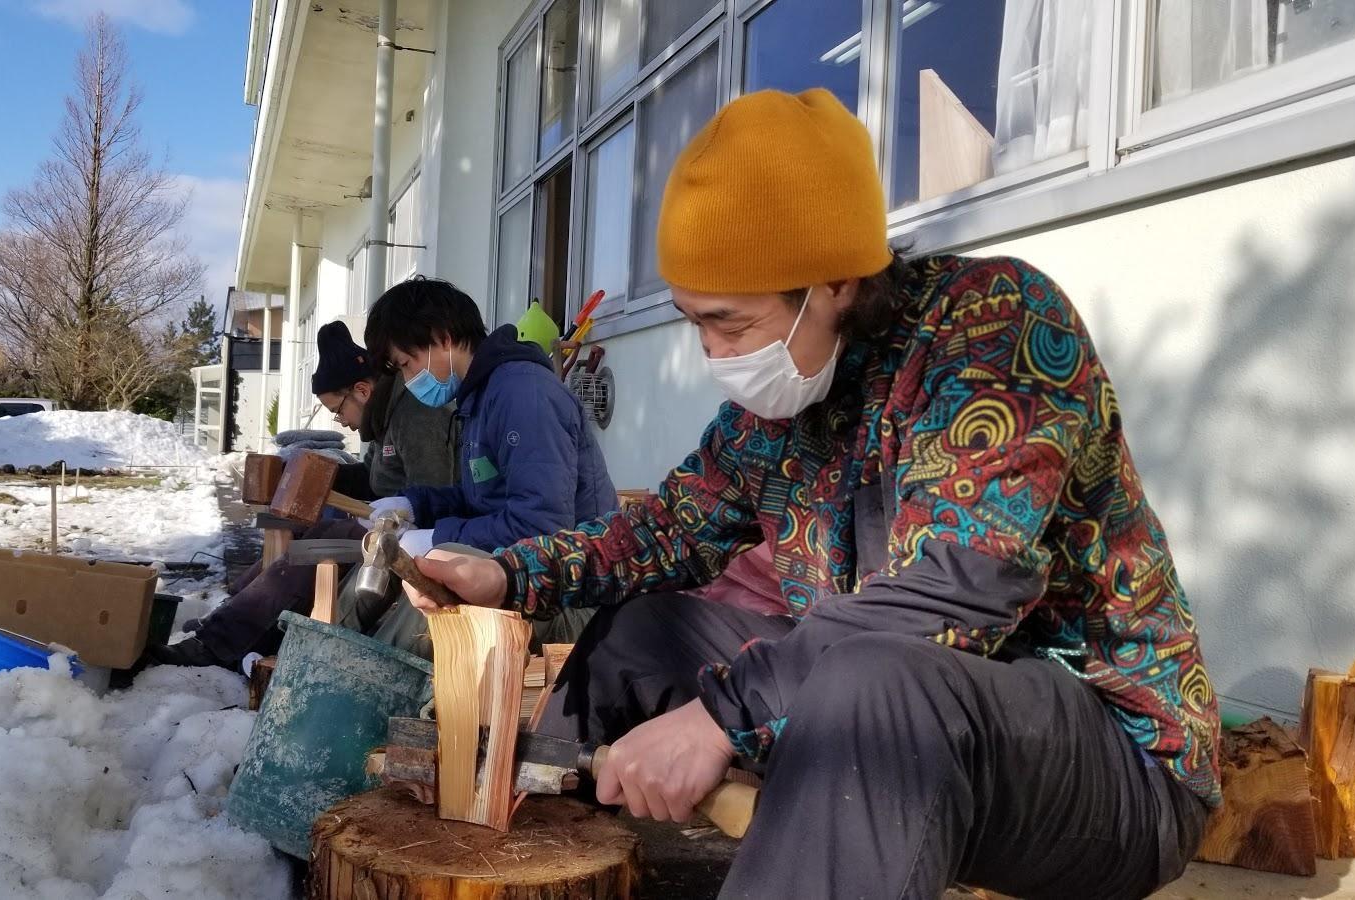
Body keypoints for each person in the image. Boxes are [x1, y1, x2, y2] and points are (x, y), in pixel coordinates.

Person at [403, 89, 1216, 899]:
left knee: (876, 685)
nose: (713, 353)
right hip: (893, 714)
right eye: (694, 323)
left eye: (730, 323)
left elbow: (956, 595)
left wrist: (718, 716)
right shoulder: (780, 405)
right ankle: (526, 867)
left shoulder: (997, 328)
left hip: (1116, 765)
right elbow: (656, 534)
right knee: (643, 634)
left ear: (834, 282)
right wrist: (510, 574)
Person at [149, 321, 454, 668]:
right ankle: (230, 617)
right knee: (309, 533)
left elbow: (436, 494)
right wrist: (314, 476)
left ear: (362, 391)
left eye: (338, 410)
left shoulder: (415, 417)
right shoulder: (384, 420)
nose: (340, 422)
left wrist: (384, 514)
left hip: (417, 538)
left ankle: (219, 642)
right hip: (385, 523)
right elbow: (372, 479)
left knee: (324, 539)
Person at [353, 277, 616, 651]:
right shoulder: (481, 397)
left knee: (445, 567)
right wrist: (414, 506)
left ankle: (368, 680)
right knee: (391, 561)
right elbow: (481, 498)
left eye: (407, 365)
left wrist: (435, 539)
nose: (410, 380)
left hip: (574, 597)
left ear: (442, 337)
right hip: (527, 578)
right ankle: (344, 656)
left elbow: (539, 527)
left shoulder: (524, 395)